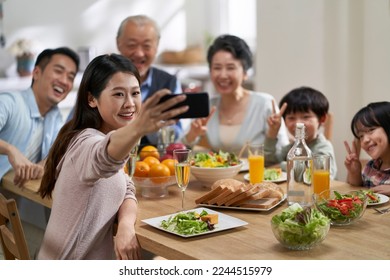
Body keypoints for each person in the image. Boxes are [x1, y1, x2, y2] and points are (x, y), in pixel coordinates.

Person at [37, 54, 188, 260]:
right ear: (92, 99)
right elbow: (104, 158)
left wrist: (125, 226)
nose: (130, 103)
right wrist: (138, 127)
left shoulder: (92, 135)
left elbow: (127, 188)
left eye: (135, 93)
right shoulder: (86, 143)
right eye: (118, 94)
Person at [181, 34, 289, 156]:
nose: (223, 75)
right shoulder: (208, 106)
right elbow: (176, 152)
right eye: (217, 68)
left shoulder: (265, 104)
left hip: (257, 174)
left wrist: (272, 135)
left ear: (245, 73)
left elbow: (283, 156)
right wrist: (192, 135)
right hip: (221, 176)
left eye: (230, 68)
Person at [0, 47, 79, 186]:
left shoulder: (55, 117)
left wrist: (44, 165)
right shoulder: (9, 102)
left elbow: (53, 154)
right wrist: (11, 150)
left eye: (70, 77)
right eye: (58, 71)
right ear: (36, 73)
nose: (64, 81)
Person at [264, 86, 337, 179]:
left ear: (322, 119)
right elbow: (268, 164)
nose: (298, 123)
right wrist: (272, 132)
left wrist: (281, 166)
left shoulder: (323, 147)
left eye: (306, 117)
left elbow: (319, 175)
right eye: (291, 118)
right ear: (284, 121)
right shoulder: (291, 148)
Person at [344, 102, 390, 195]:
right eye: (361, 136)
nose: (365, 140)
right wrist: (354, 173)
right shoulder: (371, 166)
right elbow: (359, 190)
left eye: (371, 130)